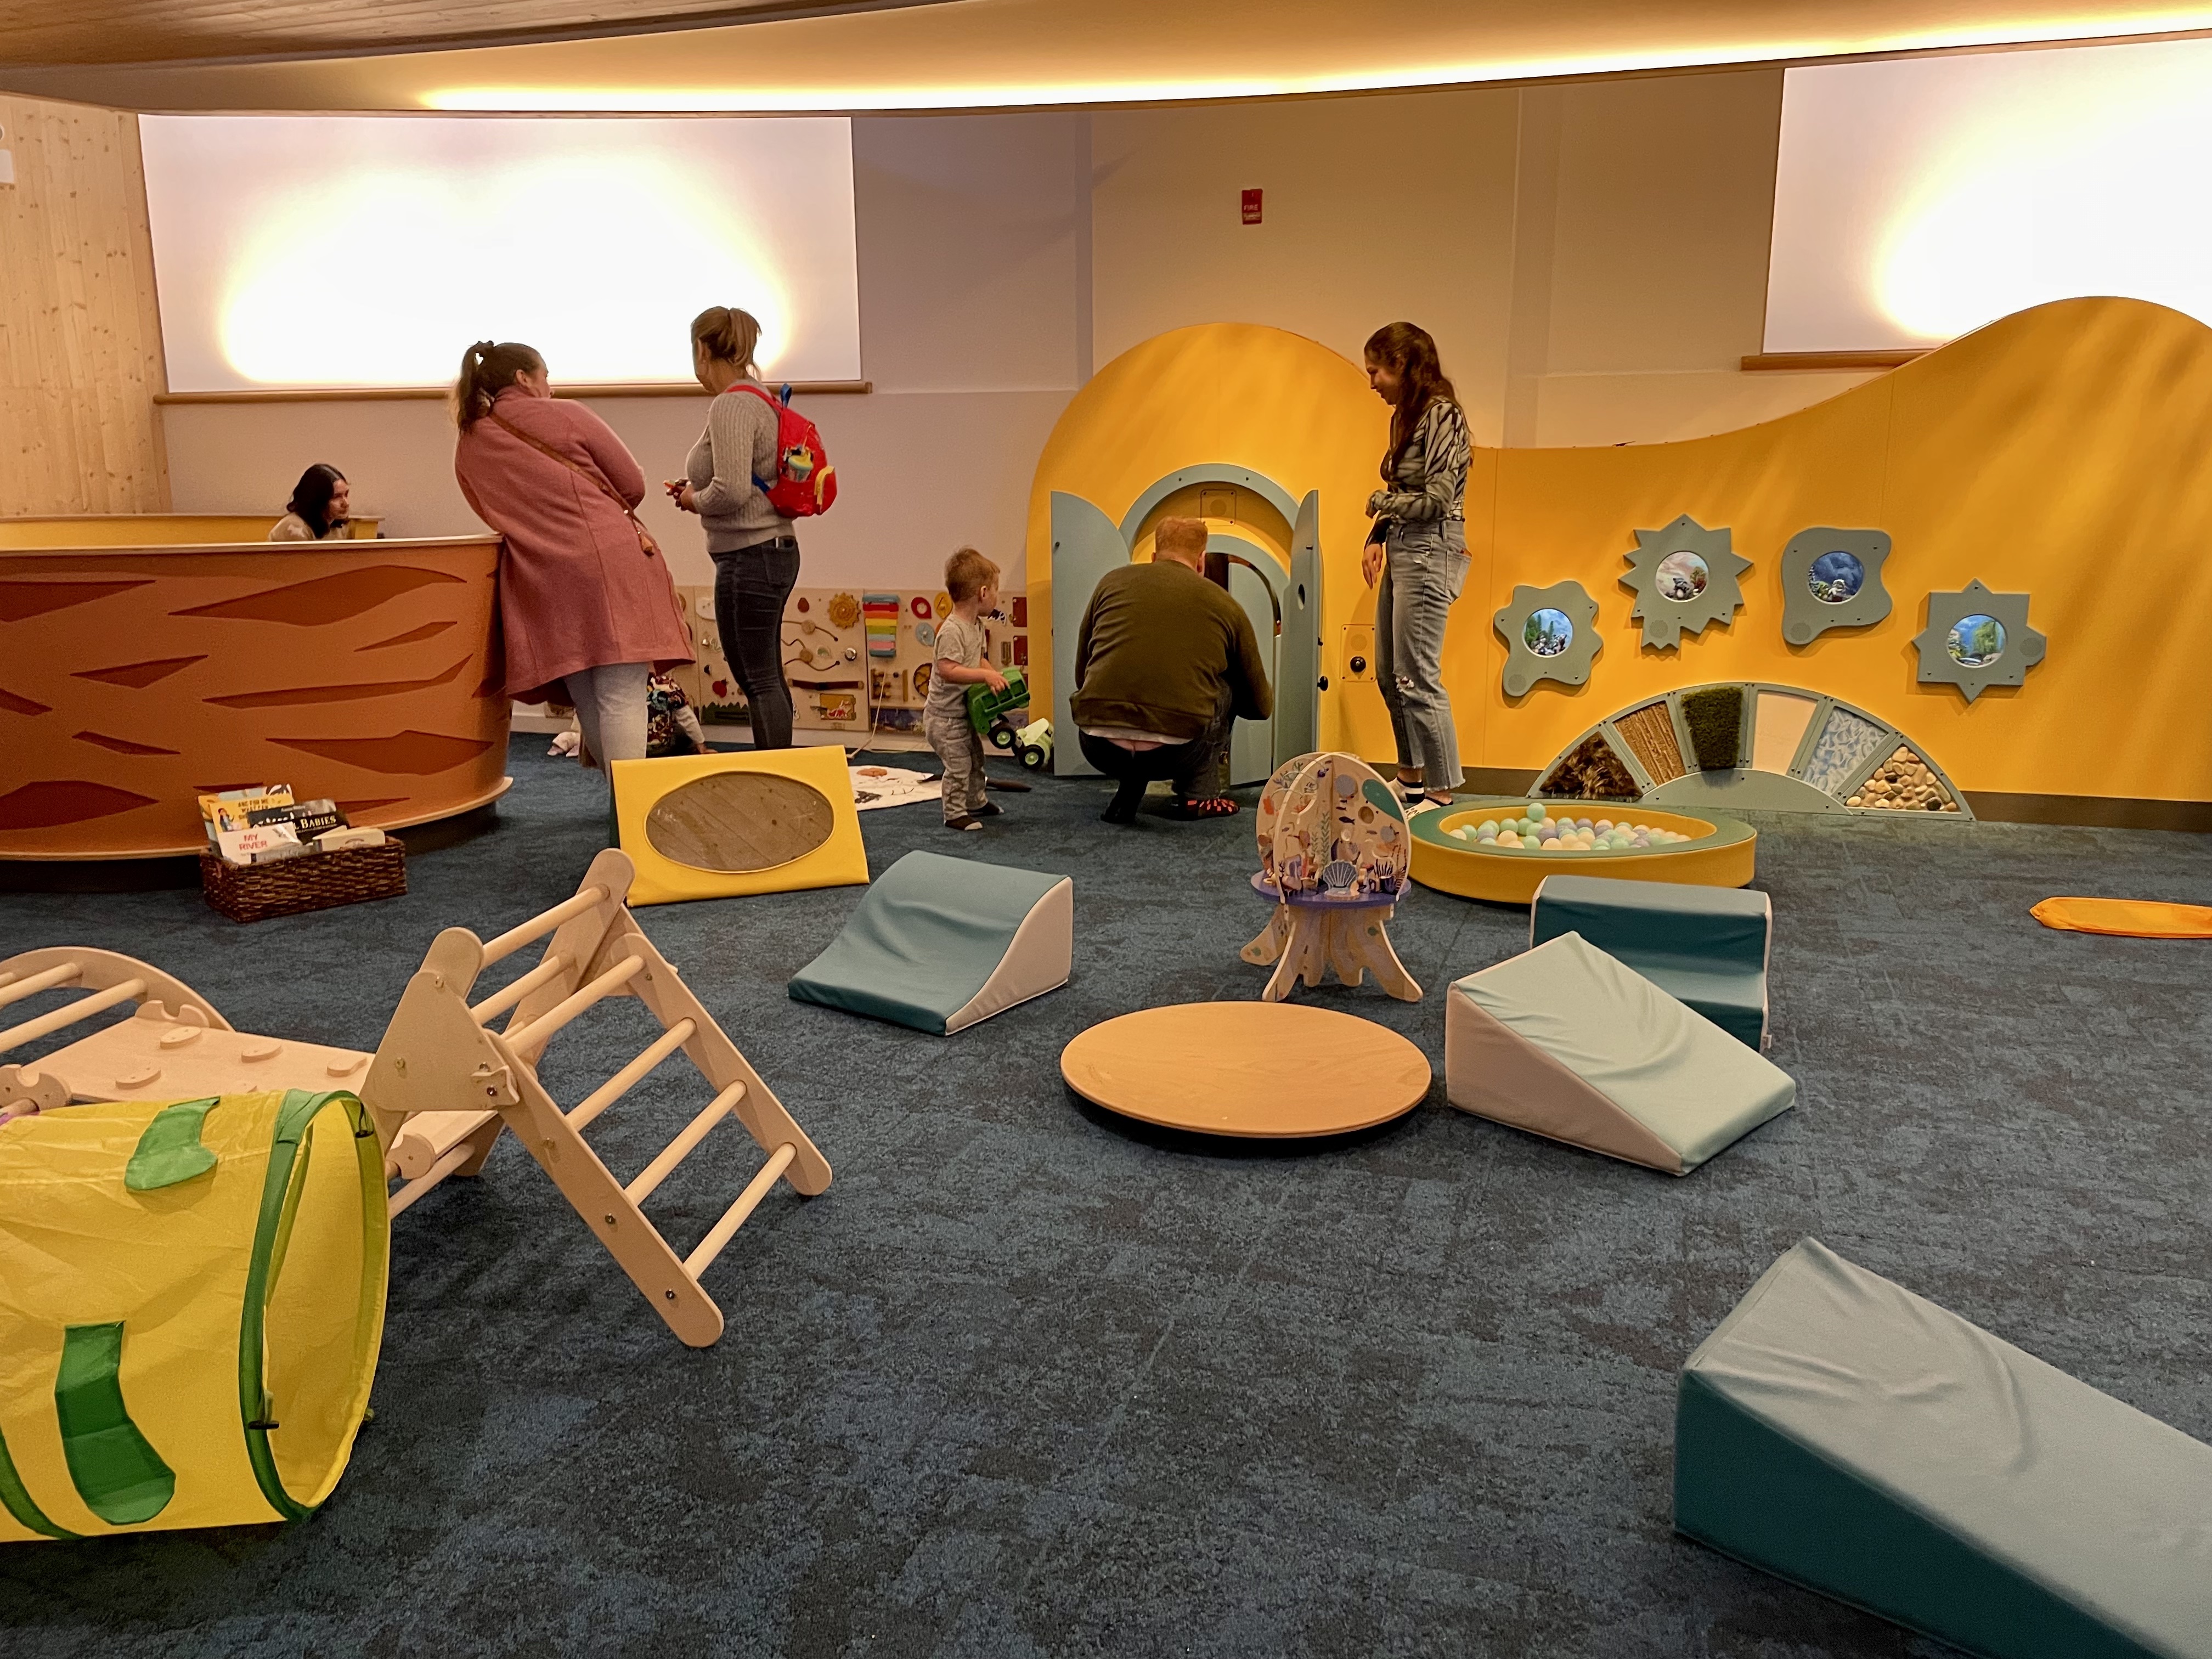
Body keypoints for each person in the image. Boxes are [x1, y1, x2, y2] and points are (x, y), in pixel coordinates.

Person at [451, 339, 691, 777]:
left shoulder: (468, 443)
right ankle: (632, 808)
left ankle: (620, 800)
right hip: (608, 563)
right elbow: (632, 486)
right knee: (621, 693)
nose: (551, 388)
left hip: (540, 578)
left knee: (589, 699)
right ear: (524, 378)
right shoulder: (568, 415)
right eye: (545, 378)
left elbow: (487, 510)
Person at [1073, 516, 1272, 826]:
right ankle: (1200, 797)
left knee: (1131, 698)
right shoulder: (1225, 604)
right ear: (1201, 561)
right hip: (1176, 753)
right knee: (1224, 689)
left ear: (1154, 556)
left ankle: (1130, 791)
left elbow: (1081, 675)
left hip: (1098, 747)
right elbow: (1262, 706)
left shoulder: (1110, 583)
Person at [668, 306, 802, 750]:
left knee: (758, 677)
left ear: (703, 349)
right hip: (769, 550)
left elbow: (730, 491)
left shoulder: (730, 405)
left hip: (752, 554)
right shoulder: (761, 398)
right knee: (762, 673)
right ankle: (781, 769)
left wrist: (692, 499)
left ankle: (776, 774)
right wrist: (698, 490)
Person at [1361, 321, 1472, 811]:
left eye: (1376, 370)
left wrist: (1379, 502)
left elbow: (1436, 501)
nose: (1372, 383)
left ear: (1402, 364)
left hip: (1432, 547)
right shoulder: (1405, 417)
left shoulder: (1443, 416)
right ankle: (1409, 778)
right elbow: (1407, 498)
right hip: (1405, 545)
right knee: (1389, 673)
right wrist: (1378, 533)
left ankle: (1441, 790)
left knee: (1417, 675)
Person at [926, 548, 1009, 832]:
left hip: (962, 715)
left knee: (976, 759)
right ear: (983, 593)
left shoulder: (976, 626)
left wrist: (991, 672)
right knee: (959, 766)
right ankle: (954, 813)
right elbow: (948, 670)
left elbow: (977, 660)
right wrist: (985, 676)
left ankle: (975, 801)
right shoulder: (951, 631)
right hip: (944, 718)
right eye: (996, 591)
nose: (997, 597)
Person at [269, 464, 350, 541]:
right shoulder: (294, 528)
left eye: (346, 494)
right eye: (336, 497)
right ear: (318, 499)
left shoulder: (338, 527)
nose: (346, 503)